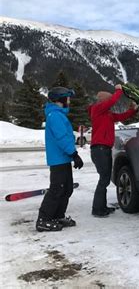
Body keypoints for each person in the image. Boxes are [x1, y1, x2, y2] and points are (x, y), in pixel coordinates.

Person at [37, 86, 84, 232]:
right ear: (60, 99)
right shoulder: (55, 116)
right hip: (59, 159)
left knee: (67, 188)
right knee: (57, 190)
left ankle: (57, 215)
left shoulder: (58, 114)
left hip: (63, 159)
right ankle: (43, 220)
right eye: (67, 98)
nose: (69, 101)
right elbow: (61, 138)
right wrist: (74, 154)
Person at [88, 84, 138, 217]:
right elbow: (112, 100)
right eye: (108, 101)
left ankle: (101, 207)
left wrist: (133, 110)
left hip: (104, 149)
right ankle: (97, 209)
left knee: (104, 179)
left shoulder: (107, 114)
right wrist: (118, 91)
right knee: (103, 180)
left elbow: (122, 117)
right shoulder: (97, 109)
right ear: (103, 101)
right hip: (99, 149)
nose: (110, 105)